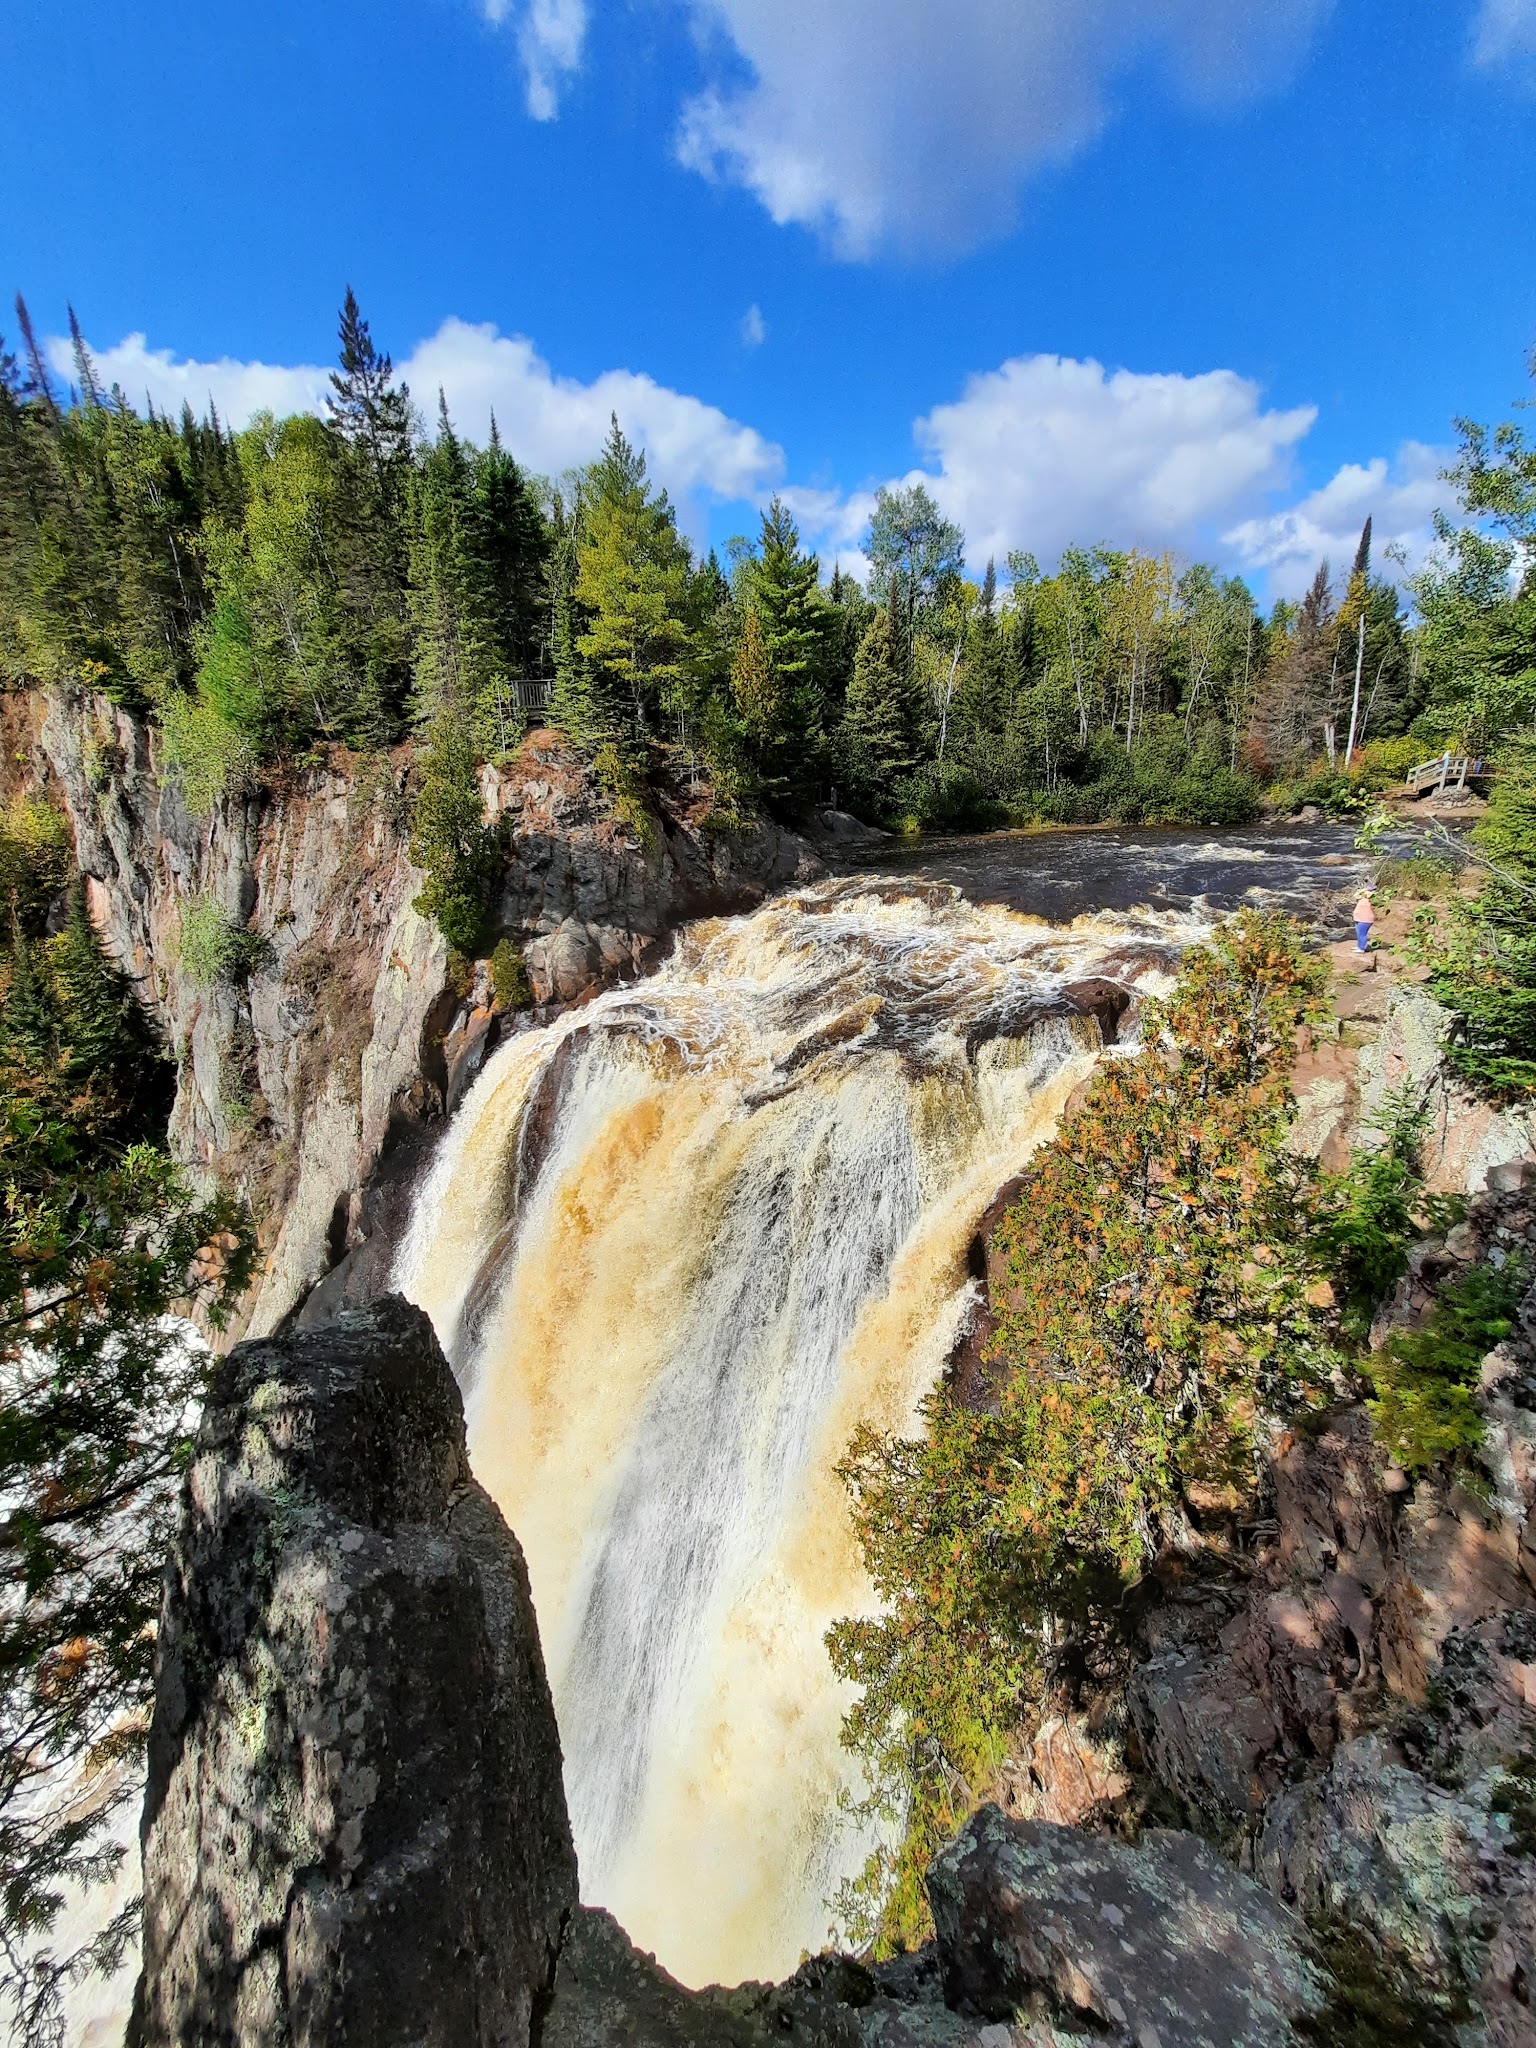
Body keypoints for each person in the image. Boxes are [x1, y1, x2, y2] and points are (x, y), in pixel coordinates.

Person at [1353, 888, 1376, 954]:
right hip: (1358, 918)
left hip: (1365, 920)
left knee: (1362, 934)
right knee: (1359, 933)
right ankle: (1359, 946)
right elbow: (1356, 895)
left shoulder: (1372, 900)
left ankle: (1361, 948)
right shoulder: (1363, 898)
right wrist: (1362, 890)